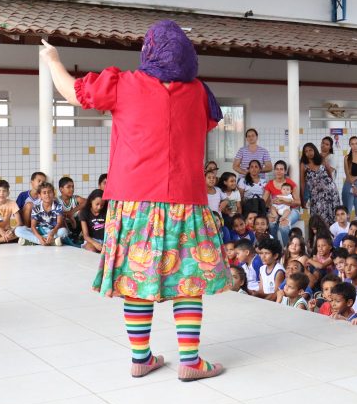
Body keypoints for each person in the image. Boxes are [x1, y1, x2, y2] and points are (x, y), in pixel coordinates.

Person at [42, 20, 231, 381]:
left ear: (149, 51)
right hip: (185, 202)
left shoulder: (123, 84)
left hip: (135, 202)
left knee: (135, 279)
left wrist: (52, 59)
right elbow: (207, 125)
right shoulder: (199, 93)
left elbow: (71, 93)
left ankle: (141, 357)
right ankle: (190, 361)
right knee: (188, 280)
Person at [80, 189, 107, 253]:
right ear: (91, 201)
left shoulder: (107, 212)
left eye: (102, 205)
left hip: (105, 241)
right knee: (91, 251)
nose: (99, 207)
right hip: (91, 241)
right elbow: (86, 236)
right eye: (97, 204)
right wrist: (95, 244)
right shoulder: (84, 212)